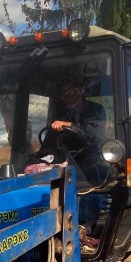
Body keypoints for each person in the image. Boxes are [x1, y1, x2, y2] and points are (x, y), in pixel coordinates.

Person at [50, 82, 108, 248]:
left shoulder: (96, 110)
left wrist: (68, 125)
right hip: (68, 159)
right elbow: (50, 137)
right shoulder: (63, 112)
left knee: (91, 177)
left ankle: (87, 224)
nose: (64, 96)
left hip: (93, 158)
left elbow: (92, 135)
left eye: (68, 92)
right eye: (63, 94)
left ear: (79, 92)